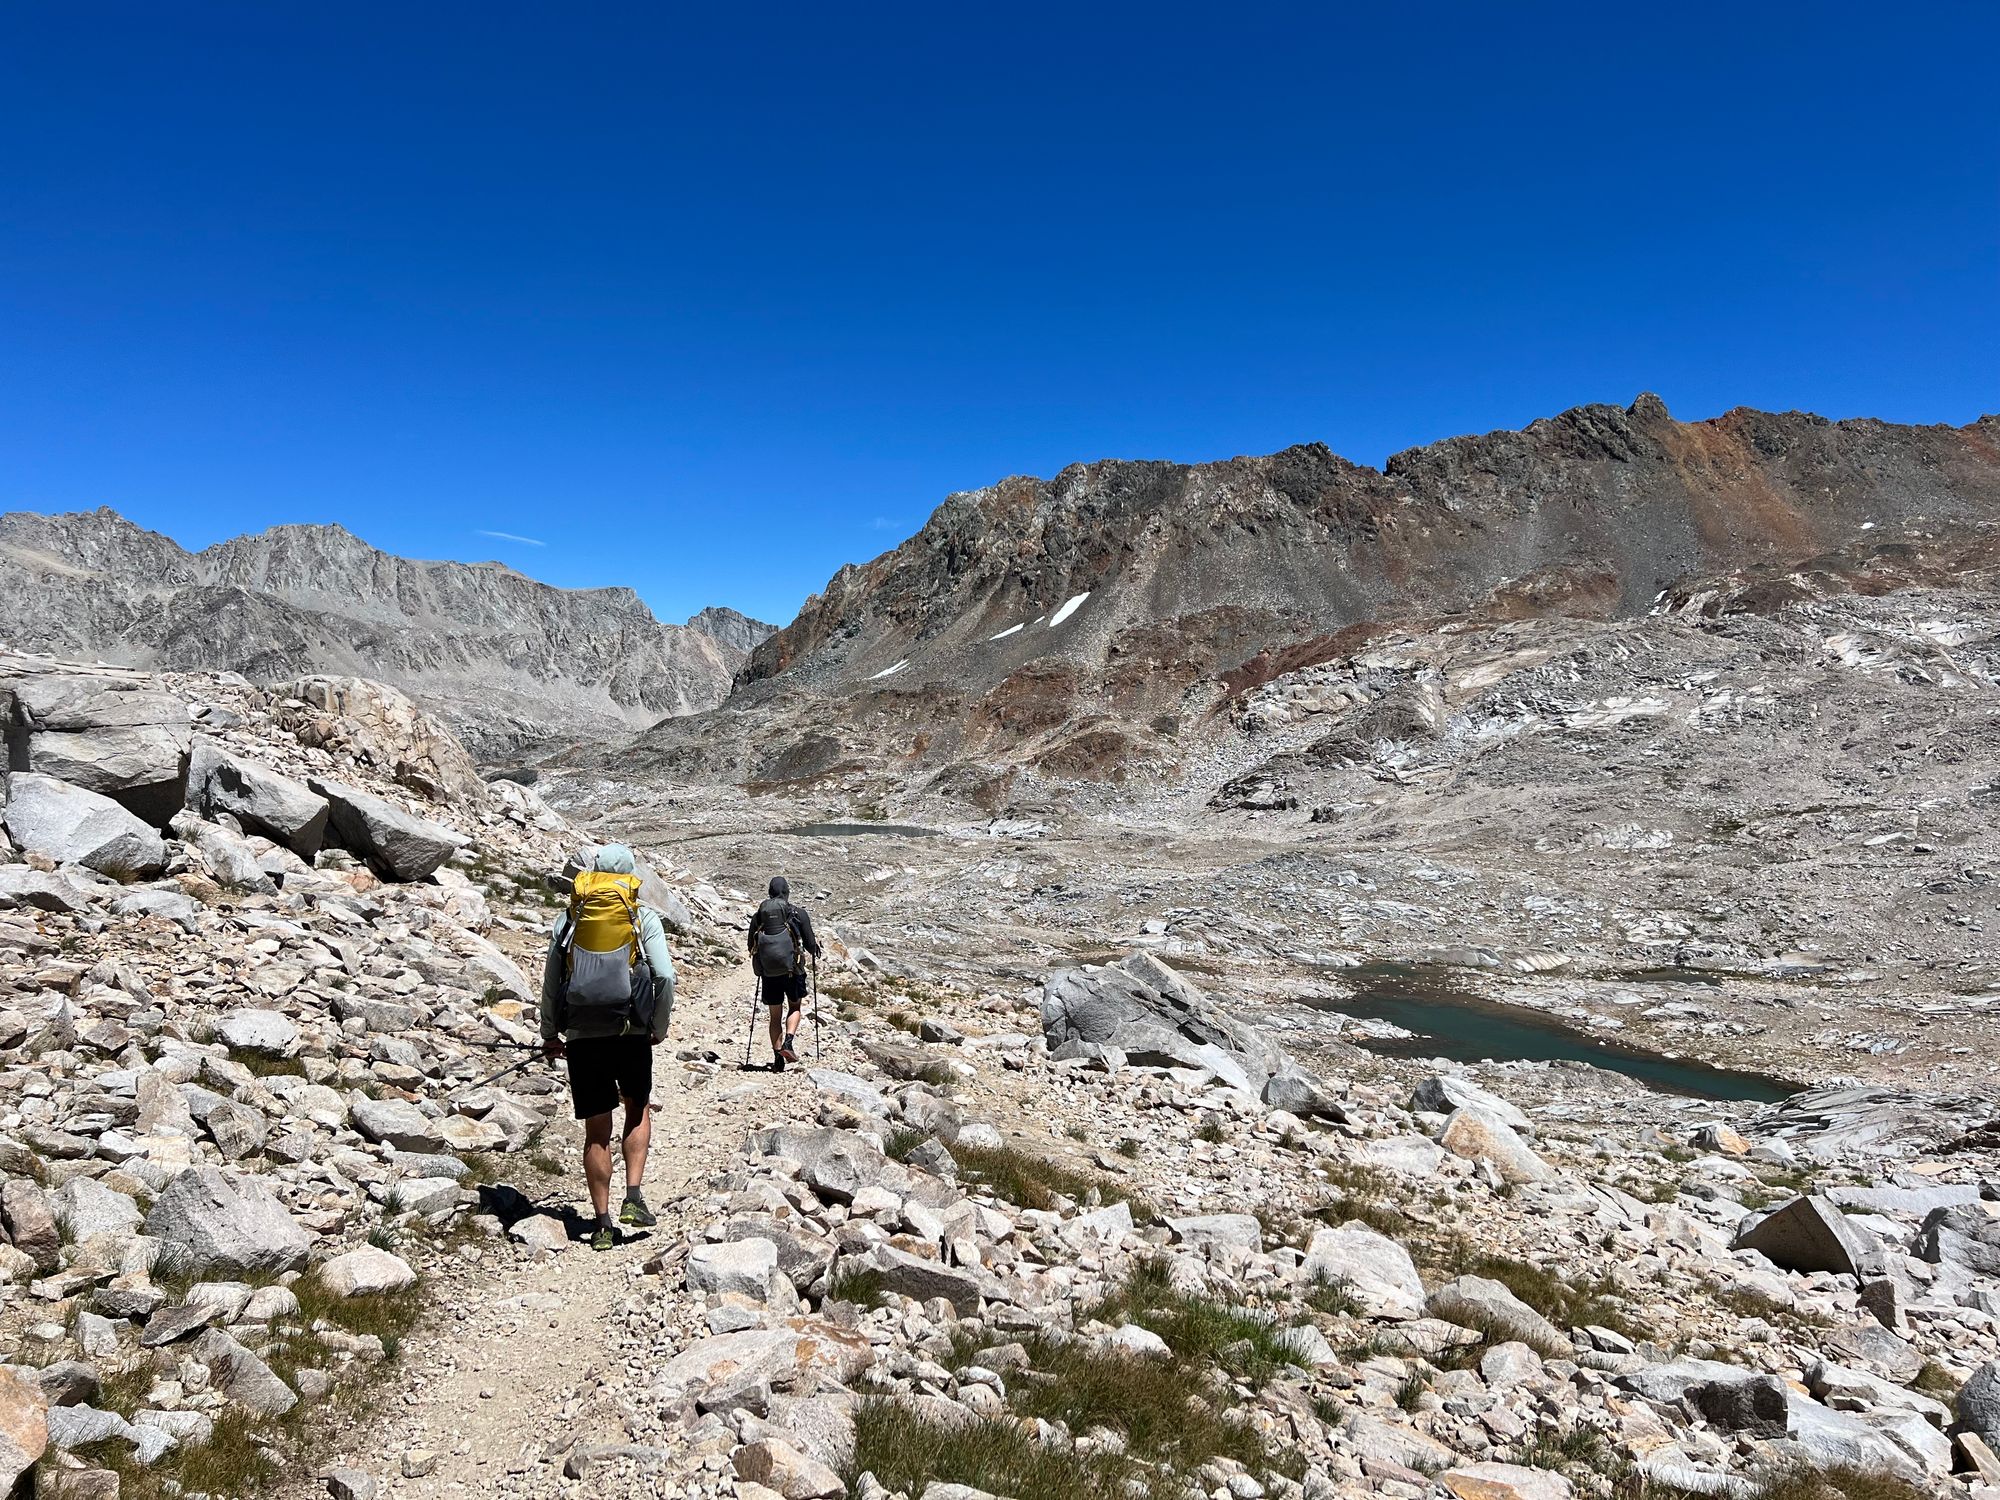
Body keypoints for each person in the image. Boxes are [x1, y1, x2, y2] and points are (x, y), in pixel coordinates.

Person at [540, 844, 675, 1250]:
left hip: (582, 1035)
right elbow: (664, 977)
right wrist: (658, 1026)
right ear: (631, 875)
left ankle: (601, 1224)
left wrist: (550, 1033)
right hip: (631, 1030)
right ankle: (633, 1196)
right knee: (638, 1108)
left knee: (596, 1131)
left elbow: (551, 983)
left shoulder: (570, 919)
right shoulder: (642, 917)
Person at [747, 875, 821, 1070]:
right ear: (787, 893)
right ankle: (788, 1042)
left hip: (769, 972)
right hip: (793, 970)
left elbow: (750, 945)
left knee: (774, 1015)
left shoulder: (760, 915)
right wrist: (814, 951)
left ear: (769, 893)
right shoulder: (797, 913)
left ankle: (777, 1056)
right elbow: (811, 944)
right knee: (795, 1007)